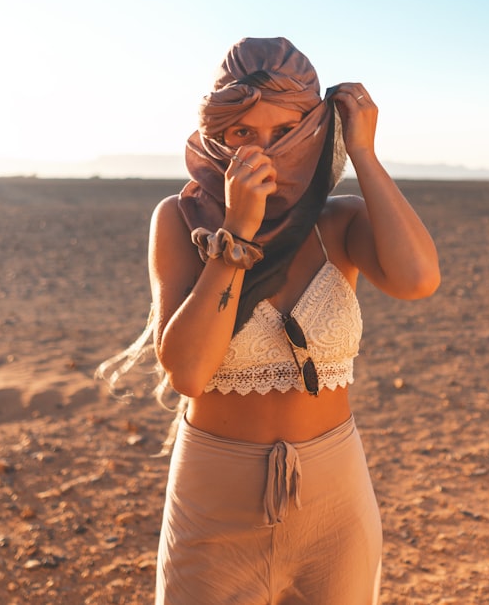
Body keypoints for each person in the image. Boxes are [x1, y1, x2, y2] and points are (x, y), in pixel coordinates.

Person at [98, 36, 439, 604]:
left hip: (336, 498)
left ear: (314, 133)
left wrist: (363, 154)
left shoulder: (340, 223)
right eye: (243, 135)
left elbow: (418, 279)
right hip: (214, 500)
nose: (268, 154)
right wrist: (235, 233)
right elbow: (187, 371)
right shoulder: (180, 223)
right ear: (217, 137)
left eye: (286, 133)